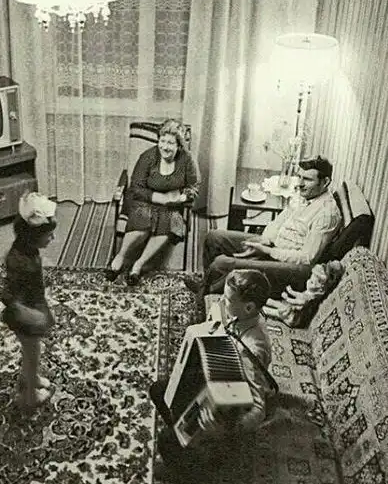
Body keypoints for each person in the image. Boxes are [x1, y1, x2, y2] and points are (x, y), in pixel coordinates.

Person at [150, 269, 274, 481]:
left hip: (228, 411)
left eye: (228, 300)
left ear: (249, 307)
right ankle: (183, 436)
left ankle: (192, 467)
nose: (222, 302)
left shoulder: (253, 348)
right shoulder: (239, 315)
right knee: (160, 390)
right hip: (213, 383)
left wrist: (226, 429)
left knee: (166, 440)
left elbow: (258, 409)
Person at [186, 155, 342, 298]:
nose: (300, 184)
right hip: (274, 247)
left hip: (293, 268)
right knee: (214, 238)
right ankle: (207, 284)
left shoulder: (326, 213)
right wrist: (265, 241)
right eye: (299, 177)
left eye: (307, 179)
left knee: (222, 264)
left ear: (325, 182)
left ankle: (209, 295)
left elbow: (307, 258)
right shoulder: (306, 195)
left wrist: (268, 251)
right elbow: (279, 222)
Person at [106, 119, 200, 286]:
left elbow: (194, 185)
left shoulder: (187, 160)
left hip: (171, 206)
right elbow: (136, 187)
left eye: (170, 143)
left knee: (169, 223)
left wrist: (183, 197)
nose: (164, 147)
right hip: (145, 200)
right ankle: (120, 256)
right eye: (162, 141)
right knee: (143, 221)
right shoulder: (148, 157)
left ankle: (138, 265)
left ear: (179, 145)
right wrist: (160, 197)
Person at [0, 191, 57, 410]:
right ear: (33, 236)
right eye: (49, 235)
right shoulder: (22, 263)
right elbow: (10, 294)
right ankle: (30, 396)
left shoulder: (26, 250)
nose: (52, 239)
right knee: (32, 355)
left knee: (32, 351)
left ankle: (29, 377)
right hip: (24, 314)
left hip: (31, 306)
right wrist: (33, 316)